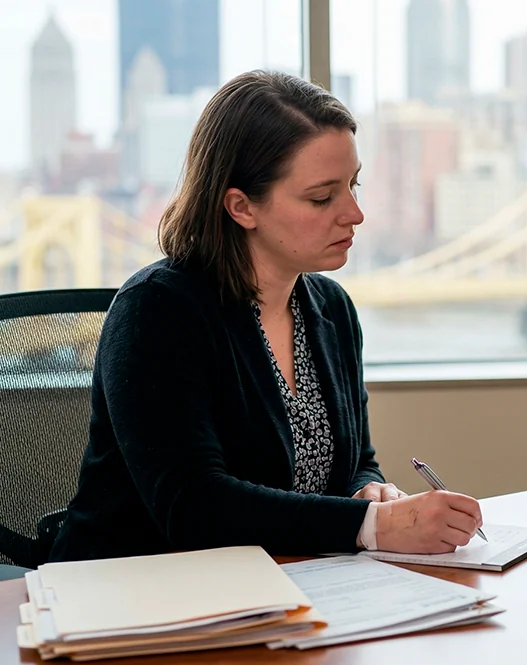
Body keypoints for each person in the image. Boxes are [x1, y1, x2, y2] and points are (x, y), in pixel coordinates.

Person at [50, 71, 483, 562]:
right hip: (133, 599)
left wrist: (369, 491)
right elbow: (192, 507)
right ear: (241, 206)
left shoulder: (331, 309)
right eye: (322, 197)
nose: (355, 213)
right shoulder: (157, 310)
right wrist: (373, 526)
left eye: (353, 185)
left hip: (283, 585)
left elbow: (357, 460)